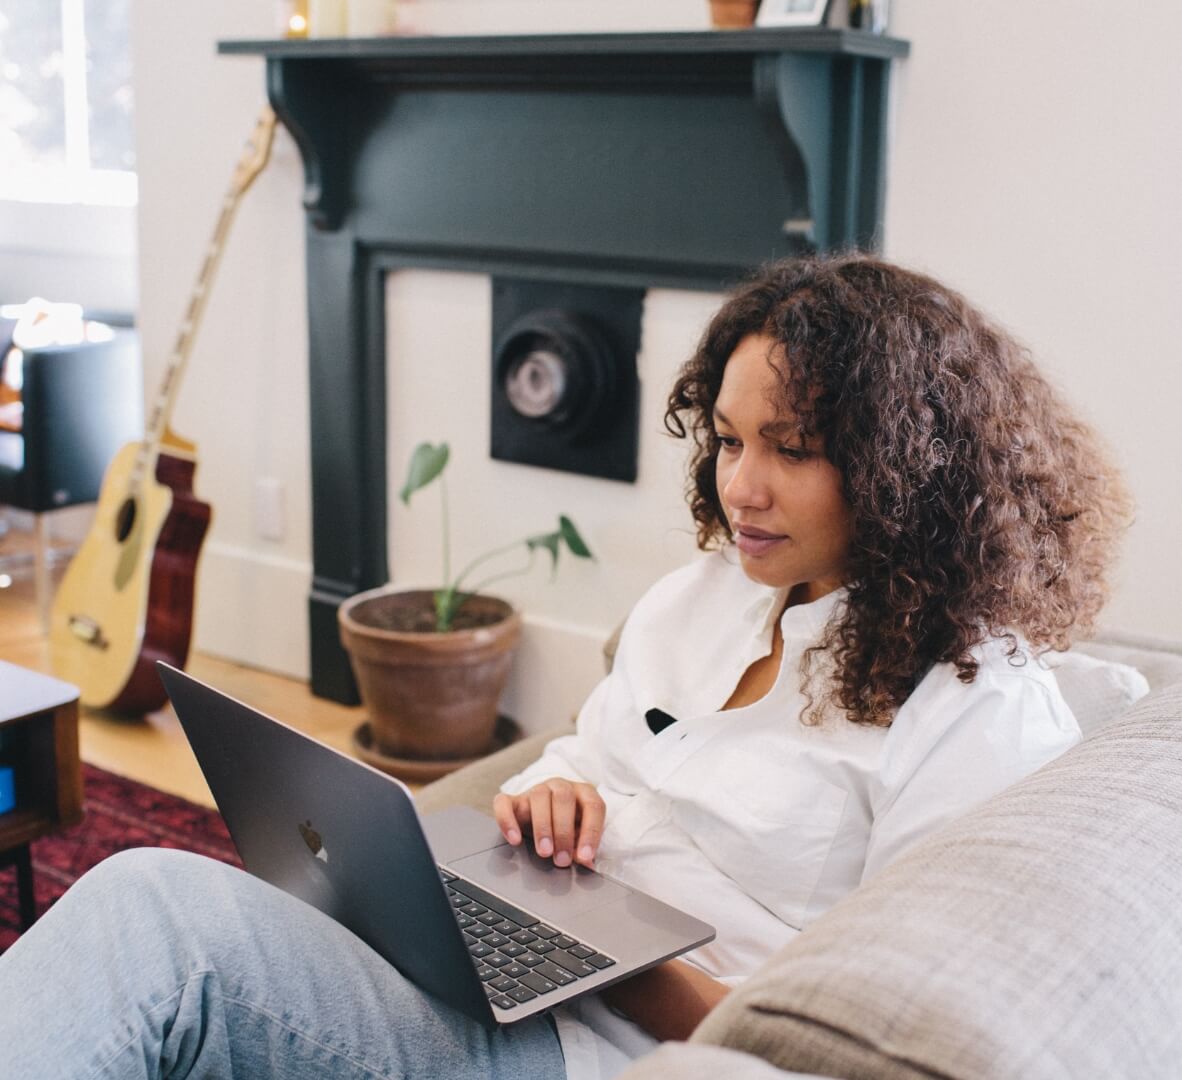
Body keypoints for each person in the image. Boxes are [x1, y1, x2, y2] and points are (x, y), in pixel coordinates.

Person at [0, 254, 1131, 1079]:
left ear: (907, 471)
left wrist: (625, 971)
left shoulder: (971, 708)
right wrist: (556, 799)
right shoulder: (705, 600)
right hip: (517, 964)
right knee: (151, 908)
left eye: (793, 451)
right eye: (730, 440)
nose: (741, 488)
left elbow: (866, 1037)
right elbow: (588, 756)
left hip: (599, 1042)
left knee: (155, 922)